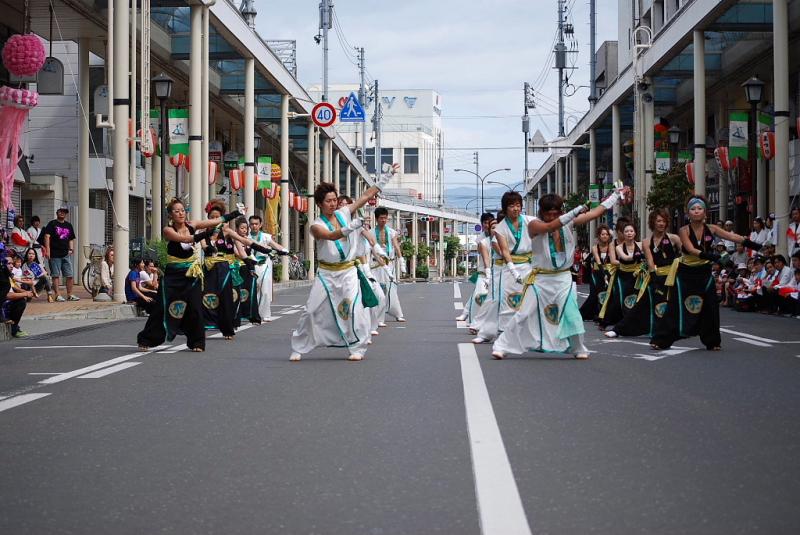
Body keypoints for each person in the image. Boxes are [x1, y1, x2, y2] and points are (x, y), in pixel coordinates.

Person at [491, 186, 626, 360]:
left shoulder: (568, 222)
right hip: (541, 278)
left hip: (562, 277)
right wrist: (576, 211)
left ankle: (577, 347)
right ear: (542, 212)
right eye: (549, 213)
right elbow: (551, 226)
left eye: (556, 212)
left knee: (571, 314)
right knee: (524, 313)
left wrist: (614, 196)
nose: (553, 216)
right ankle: (502, 346)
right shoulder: (534, 225)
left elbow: (595, 213)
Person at [136, 198, 256, 352]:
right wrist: (206, 235)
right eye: (176, 211)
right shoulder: (168, 230)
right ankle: (147, 338)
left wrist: (235, 213)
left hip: (191, 273)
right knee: (162, 307)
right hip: (173, 276)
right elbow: (185, 239)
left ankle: (197, 342)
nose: (180, 213)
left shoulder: (192, 224)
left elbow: (217, 220)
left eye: (182, 210)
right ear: (170, 215)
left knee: (195, 307)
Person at [650, 196, 762, 351]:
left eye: (699, 208)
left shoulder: (713, 229)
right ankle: (661, 339)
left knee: (710, 306)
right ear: (688, 213)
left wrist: (754, 245)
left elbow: (732, 236)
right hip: (685, 274)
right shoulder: (683, 230)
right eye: (693, 209)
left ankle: (712, 340)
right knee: (674, 307)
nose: (696, 212)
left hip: (703, 272)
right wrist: (714, 257)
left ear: (705, 213)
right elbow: (690, 249)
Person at [289, 180, 382, 362]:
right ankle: (298, 346)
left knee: (353, 309)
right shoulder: (315, 225)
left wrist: (384, 179)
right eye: (328, 201)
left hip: (348, 272)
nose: (332, 204)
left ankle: (357, 348)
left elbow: (365, 196)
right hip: (326, 274)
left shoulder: (343, 213)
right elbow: (331, 236)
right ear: (319, 204)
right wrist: (351, 227)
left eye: (334, 200)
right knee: (310, 310)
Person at [605, 208, 682, 338]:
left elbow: (684, 254)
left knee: (676, 304)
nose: (661, 223)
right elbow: (650, 262)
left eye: (664, 221)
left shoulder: (674, 238)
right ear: (653, 222)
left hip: (673, 277)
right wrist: (655, 278)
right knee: (640, 305)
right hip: (655, 277)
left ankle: (678, 330)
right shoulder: (646, 242)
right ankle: (619, 330)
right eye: (658, 221)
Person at [472, 192, 534, 344]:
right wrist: (512, 269)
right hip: (506, 268)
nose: (515, 209)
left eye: (518, 205)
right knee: (499, 300)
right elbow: (504, 251)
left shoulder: (530, 221)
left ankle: (527, 334)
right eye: (511, 206)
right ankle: (491, 332)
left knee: (528, 301)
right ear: (505, 208)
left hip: (528, 266)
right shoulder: (500, 228)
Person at [200, 200, 261, 340]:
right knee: (207, 295)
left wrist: (255, 256)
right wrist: (208, 246)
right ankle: (207, 323)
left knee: (227, 298)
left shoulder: (226, 231)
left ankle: (227, 327)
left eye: (217, 216)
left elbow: (242, 242)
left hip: (225, 269)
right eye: (212, 217)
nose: (214, 219)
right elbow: (203, 245)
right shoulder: (203, 231)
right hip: (209, 268)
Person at [338, 196, 387, 340]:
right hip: (335, 269)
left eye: (345, 205)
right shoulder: (331, 223)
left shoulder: (356, 226)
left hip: (356, 267)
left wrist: (378, 251)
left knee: (374, 297)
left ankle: (368, 328)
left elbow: (371, 241)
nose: (342, 207)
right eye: (340, 204)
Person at [598, 222, 645, 329]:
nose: (629, 233)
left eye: (631, 231)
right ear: (623, 234)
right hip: (622, 276)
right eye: (626, 231)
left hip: (637, 275)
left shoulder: (641, 245)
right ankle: (605, 322)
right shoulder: (619, 247)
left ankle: (633, 323)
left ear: (635, 233)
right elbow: (625, 258)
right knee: (618, 299)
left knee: (636, 299)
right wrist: (638, 256)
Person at [248, 214, 290, 322]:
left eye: (256, 224)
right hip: (252, 265)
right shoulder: (246, 237)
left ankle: (265, 314)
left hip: (265, 265)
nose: (254, 226)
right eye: (252, 224)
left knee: (265, 291)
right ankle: (254, 313)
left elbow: (276, 246)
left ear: (260, 224)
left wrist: (287, 252)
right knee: (254, 290)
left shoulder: (266, 236)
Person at [460, 213, 495, 331]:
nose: (488, 226)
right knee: (479, 296)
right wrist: (488, 272)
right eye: (485, 223)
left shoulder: (502, 237)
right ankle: (474, 322)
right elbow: (484, 256)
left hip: (499, 272)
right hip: (484, 272)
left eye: (490, 223)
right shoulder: (482, 239)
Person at [372, 206, 406, 325]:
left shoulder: (391, 232)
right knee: (378, 291)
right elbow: (371, 249)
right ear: (376, 219)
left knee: (392, 289)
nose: (383, 220)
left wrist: (401, 260)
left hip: (389, 263)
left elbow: (396, 246)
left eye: (385, 218)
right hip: (376, 265)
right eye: (381, 218)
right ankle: (379, 318)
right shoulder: (371, 232)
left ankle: (398, 314)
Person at [579, 224, 615, 321]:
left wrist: (608, 275)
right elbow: (598, 262)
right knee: (594, 295)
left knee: (606, 294)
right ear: (599, 236)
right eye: (602, 234)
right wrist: (603, 274)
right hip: (597, 273)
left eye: (607, 234)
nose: (605, 236)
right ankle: (582, 314)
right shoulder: (595, 248)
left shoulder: (612, 247)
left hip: (609, 272)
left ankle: (601, 314)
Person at [43, 206, 79, 302]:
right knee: (55, 275)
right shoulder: (52, 224)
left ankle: (70, 294)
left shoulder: (68, 225)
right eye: (60, 211)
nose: (62, 213)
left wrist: (71, 249)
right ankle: (57, 295)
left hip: (65, 254)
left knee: (70, 275)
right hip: (54, 254)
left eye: (64, 212)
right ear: (57, 212)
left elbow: (71, 238)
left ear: (66, 213)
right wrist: (48, 250)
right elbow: (47, 236)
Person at [1, 244, 32, 338]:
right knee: (21, 300)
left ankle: (14, 327)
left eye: (12, 263)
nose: (11, 266)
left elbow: (14, 286)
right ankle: (13, 328)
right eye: (8, 263)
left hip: (6, 301)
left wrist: (26, 292)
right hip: (3, 303)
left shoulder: (7, 274)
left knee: (21, 300)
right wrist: (25, 293)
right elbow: (6, 295)